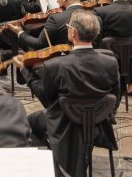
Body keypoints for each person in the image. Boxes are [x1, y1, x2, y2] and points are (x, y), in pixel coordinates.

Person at [17, 10, 120, 177]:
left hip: (64, 123)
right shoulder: (111, 61)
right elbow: (115, 95)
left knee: (29, 122)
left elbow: (47, 100)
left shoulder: (56, 65)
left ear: (73, 32)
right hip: (98, 124)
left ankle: (56, 167)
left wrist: (26, 72)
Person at [8, 0, 84, 51]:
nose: (57, 1)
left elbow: (39, 44)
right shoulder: (92, 12)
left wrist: (19, 32)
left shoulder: (56, 18)